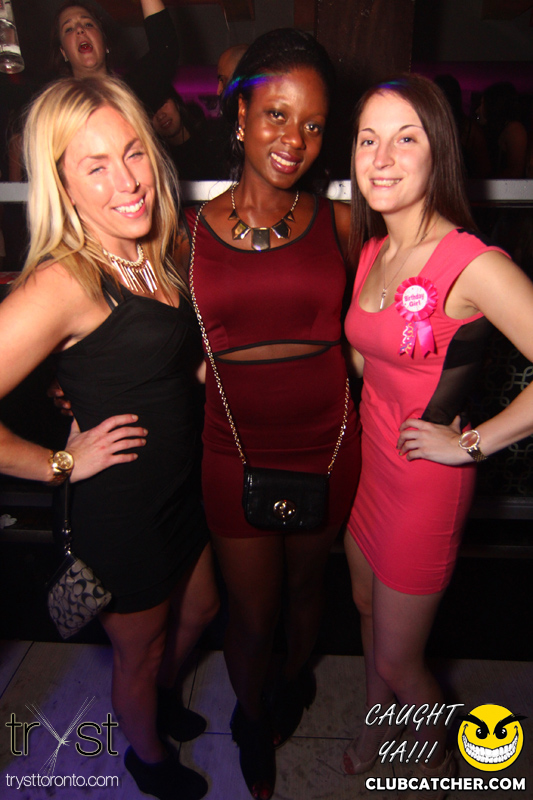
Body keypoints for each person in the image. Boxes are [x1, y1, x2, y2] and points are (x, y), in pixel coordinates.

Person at [1, 76, 219, 800]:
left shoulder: (154, 244)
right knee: (140, 652)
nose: (127, 181)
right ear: (61, 183)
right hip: (123, 513)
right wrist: (56, 463)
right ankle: (148, 759)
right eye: (94, 166)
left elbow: (160, 357)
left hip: (179, 488)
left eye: (132, 152)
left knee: (202, 609)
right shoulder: (65, 281)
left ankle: (155, 699)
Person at [181, 28, 361, 800]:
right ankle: (251, 717)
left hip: (330, 444)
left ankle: (291, 681)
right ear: (241, 117)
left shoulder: (341, 223)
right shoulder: (187, 235)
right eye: (278, 115)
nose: (295, 139)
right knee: (250, 615)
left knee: (305, 595)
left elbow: (385, 318)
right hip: (233, 450)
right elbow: (154, 332)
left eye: (313, 124)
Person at [342, 74, 533, 799]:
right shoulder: (374, 249)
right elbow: (370, 358)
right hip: (371, 467)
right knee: (365, 611)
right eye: (368, 139)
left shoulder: (472, 262)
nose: (382, 158)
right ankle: (375, 725)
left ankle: (440, 764)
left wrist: (471, 442)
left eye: (405, 139)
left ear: (438, 152)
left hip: (425, 483)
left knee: (401, 661)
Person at [50, 0, 178, 113]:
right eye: (69, 29)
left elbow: (165, 49)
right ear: (63, 52)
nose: (79, 29)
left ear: (105, 43)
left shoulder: (131, 93)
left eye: (88, 24)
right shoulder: (57, 111)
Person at [152, 86, 219, 180]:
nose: (160, 116)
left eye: (162, 105)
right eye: (151, 113)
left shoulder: (214, 139)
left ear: (176, 103)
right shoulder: (158, 165)